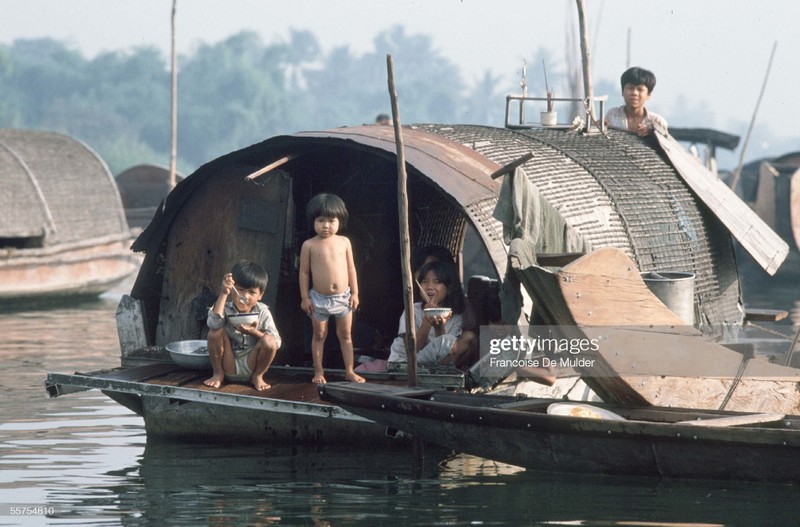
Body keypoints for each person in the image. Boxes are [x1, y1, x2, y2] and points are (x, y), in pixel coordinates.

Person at [299, 193, 365, 384]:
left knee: (345, 335)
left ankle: (350, 371)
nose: (326, 225)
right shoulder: (309, 245)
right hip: (318, 299)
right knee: (319, 335)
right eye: (320, 220)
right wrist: (305, 298)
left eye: (331, 220)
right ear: (313, 221)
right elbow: (304, 273)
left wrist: (355, 292)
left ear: (340, 221)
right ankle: (319, 371)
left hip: (343, 298)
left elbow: (351, 268)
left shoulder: (344, 242)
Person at [204, 260, 281, 391]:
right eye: (240, 290)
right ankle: (218, 373)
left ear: (260, 295)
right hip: (229, 360)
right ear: (232, 289)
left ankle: (258, 376)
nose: (244, 296)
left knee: (269, 341)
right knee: (215, 331)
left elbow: (276, 343)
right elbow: (213, 323)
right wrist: (223, 293)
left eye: (252, 292)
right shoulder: (224, 307)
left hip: (252, 362)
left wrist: (253, 332)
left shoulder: (262, 311)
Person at [386, 260, 477, 369]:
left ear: (449, 289)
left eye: (437, 281)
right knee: (448, 341)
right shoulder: (412, 311)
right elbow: (412, 351)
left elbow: (445, 351)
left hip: (430, 364)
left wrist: (439, 327)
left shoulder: (455, 318)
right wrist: (427, 318)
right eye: (424, 281)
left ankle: (441, 373)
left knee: (467, 338)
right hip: (404, 363)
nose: (429, 287)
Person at [605, 66, 667, 137]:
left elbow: (666, 146)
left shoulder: (657, 122)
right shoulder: (612, 115)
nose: (634, 93)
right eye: (630, 88)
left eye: (640, 89)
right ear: (622, 91)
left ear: (648, 94)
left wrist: (653, 133)